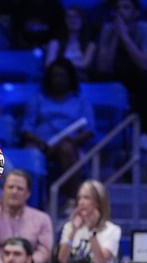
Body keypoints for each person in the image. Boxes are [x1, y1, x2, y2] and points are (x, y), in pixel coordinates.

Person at [21, 58, 95, 200]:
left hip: (70, 144)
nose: (58, 80)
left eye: (63, 76)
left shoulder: (81, 102)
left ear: (70, 78)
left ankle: (73, 200)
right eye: (55, 76)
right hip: (41, 144)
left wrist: (74, 140)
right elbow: (26, 128)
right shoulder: (38, 100)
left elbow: (89, 130)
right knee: (30, 153)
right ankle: (32, 201)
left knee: (66, 149)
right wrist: (41, 142)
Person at [95, 0, 147, 150]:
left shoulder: (146, 29)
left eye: (126, 7)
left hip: (142, 77)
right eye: (117, 7)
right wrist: (116, 36)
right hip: (116, 77)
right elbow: (103, 67)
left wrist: (125, 36)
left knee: (144, 80)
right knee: (98, 80)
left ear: (136, 12)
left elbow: (145, 64)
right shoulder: (108, 30)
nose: (120, 11)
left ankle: (145, 133)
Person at [0, 170, 53, 263]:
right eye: (10, 187)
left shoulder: (43, 219)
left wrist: (30, 262)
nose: (14, 191)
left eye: (20, 189)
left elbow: (45, 251)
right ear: (2, 190)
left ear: (28, 194)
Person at [45, 7, 97, 80]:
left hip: (83, 81)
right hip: (59, 81)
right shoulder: (55, 42)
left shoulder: (90, 44)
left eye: (76, 17)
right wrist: (76, 63)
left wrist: (60, 62)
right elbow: (49, 63)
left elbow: (85, 64)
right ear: (64, 20)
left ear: (82, 19)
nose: (73, 20)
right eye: (69, 17)